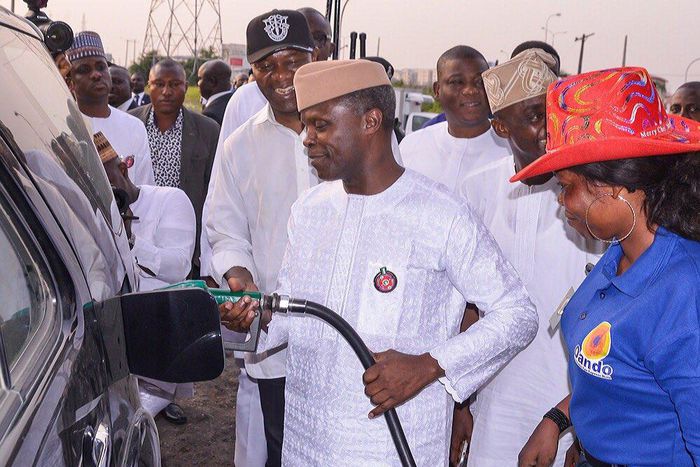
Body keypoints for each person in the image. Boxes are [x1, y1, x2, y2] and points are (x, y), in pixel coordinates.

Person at [220, 59, 538, 466]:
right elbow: (294, 313)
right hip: (306, 443)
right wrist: (255, 316)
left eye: (320, 124)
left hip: (393, 444)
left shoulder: (440, 214)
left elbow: (517, 314)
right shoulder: (309, 211)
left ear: (370, 122)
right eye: (305, 125)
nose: (306, 138)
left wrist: (429, 366)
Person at [515, 67, 700, 467]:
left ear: (614, 184)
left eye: (566, 187)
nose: (561, 202)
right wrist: (559, 420)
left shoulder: (684, 291)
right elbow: (623, 371)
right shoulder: (617, 257)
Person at [458, 49, 602, 467]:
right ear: (501, 125)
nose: (548, 129)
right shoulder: (478, 189)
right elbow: (466, 303)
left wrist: (583, 423)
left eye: (555, 114)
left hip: (569, 392)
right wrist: (462, 404)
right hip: (495, 394)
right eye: (536, 116)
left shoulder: (592, 190)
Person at [204, 10, 319, 466]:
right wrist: (242, 282)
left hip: (354, 334)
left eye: (292, 61)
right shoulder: (239, 146)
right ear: (251, 72)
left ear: (315, 57)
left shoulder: (354, 130)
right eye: (267, 66)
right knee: (283, 451)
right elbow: (225, 231)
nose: (281, 76)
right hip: (277, 336)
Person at [95, 131, 196, 424]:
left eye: (106, 180)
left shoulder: (169, 200)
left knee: (129, 423)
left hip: (159, 345)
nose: (102, 190)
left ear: (124, 169)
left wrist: (131, 240)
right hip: (111, 348)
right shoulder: (93, 213)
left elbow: (178, 267)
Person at [129, 58, 219, 281]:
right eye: (159, 84)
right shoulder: (131, 124)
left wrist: (204, 256)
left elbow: (214, 193)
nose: (166, 91)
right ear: (149, 86)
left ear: (186, 88)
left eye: (174, 84)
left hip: (183, 241)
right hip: (137, 235)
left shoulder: (206, 130)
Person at [400, 45, 510, 193]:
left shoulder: (513, 149)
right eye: (457, 82)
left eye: (480, 82)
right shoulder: (412, 146)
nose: (470, 90)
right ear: (437, 90)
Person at [65, 31, 155, 186]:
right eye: (84, 70)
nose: (96, 74)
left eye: (101, 67)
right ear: (70, 82)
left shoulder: (134, 126)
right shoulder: (61, 125)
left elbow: (144, 189)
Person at [198, 59, 233, 126]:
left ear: (212, 82)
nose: (198, 83)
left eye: (200, 79)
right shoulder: (237, 102)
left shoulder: (211, 114)